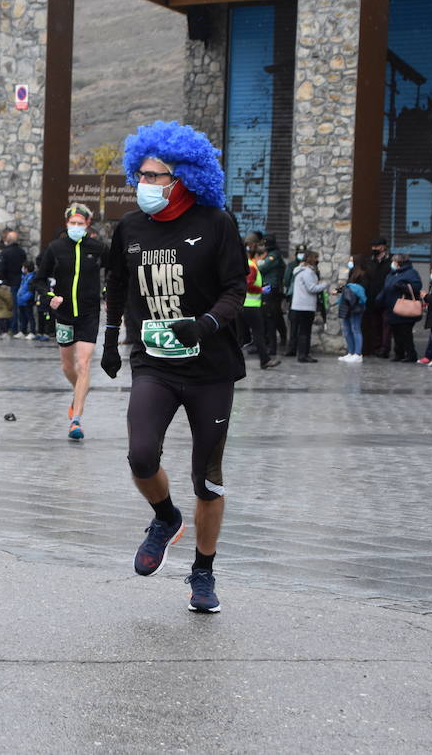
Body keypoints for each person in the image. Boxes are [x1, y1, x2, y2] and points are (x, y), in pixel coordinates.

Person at [100, 120, 245, 614]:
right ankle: (165, 517)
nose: (146, 184)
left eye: (157, 176)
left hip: (211, 367)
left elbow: (235, 290)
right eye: (140, 174)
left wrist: (204, 324)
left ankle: (203, 573)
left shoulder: (216, 222)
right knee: (141, 455)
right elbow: (117, 284)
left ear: (184, 177)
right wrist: (109, 339)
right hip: (153, 362)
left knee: (207, 478)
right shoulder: (130, 228)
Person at [37, 203, 108, 439]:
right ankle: (79, 391)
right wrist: (50, 298)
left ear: (87, 224)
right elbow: (39, 280)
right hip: (64, 314)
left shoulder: (97, 248)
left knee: (83, 364)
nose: (76, 227)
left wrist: (107, 291)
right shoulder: (55, 248)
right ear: (66, 223)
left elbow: (116, 271)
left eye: (80, 223)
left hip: (89, 313)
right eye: (72, 223)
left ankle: (76, 420)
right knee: (68, 367)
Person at [243, 241, 278, 370]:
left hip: (244, 305)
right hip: (251, 305)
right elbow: (248, 285)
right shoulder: (252, 267)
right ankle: (264, 360)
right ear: (259, 255)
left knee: (241, 336)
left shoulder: (248, 264)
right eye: (263, 256)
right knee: (258, 333)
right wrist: (261, 290)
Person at [382, 254, 423, 362]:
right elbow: (386, 288)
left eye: (394, 261)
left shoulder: (411, 273)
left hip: (405, 308)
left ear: (400, 262)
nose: (392, 263)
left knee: (405, 332)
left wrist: (403, 287)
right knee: (396, 333)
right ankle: (399, 354)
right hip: (393, 308)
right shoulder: (392, 274)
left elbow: (417, 287)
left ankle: (411, 354)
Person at [289, 250, 328, 362]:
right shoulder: (308, 272)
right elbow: (312, 288)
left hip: (298, 306)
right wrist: (325, 284)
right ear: (311, 259)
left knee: (302, 331)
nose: (318, 260)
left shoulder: (299, 270)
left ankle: (303, 354)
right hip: (305, 306)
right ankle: (303, 355)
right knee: (305, 332)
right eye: (316, 258)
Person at [257, 235, 287, 357]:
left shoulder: (274, 255)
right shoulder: (271, 254)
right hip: (267, 288)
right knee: (268, 316)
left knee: (271, 317)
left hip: (272, 289)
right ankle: (269, 343)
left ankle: (273, 347)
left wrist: (259, 260)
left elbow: (261, 267)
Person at [0, 229, 27, 337]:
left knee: (9, 306)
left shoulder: (5, 252)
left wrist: (2, 278)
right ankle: (18, 328)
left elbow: (2, 268)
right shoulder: (22, 252)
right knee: (17, 306)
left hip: (8, 282)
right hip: (19, 281)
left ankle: (10, 328)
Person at [334, 258, 367, 362]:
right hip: (347, 305)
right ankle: (351, 352)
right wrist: (339, 290)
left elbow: (359, 290)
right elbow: (347, 288)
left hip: (356, 306)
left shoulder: (364, 275)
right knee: (347, 329)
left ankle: (358, 354)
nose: (350, 262)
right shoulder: (352, 274)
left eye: (352, 260)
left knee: (355, 329)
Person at [362, 237, 391, 357]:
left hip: (386, 298)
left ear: (383, 247)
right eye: (373, 247)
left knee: (386, 325)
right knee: (374, 325)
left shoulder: (390, 261)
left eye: (377, 246)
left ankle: (385, 349)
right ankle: (376, 347)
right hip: (372, 298)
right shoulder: (369, 261)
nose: (374, 249)